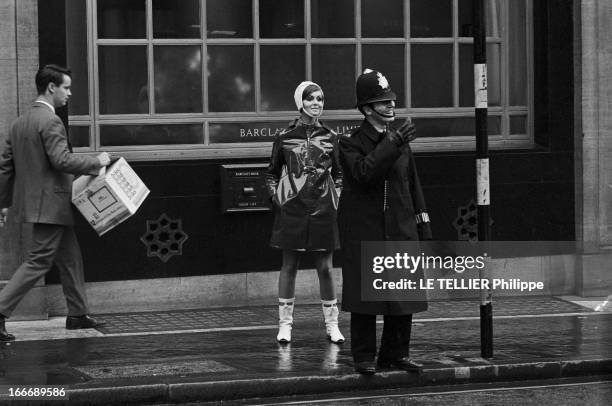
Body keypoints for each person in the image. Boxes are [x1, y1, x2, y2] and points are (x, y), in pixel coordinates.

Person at [0, 64, 113, 341]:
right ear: (51, 87)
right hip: (51, 204)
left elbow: (5, 167)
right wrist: (96, 162)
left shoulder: (19, 122)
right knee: (38, 262)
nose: (70, 93)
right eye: (67, 87)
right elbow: (61, 160)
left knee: (70, 257)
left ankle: (77, 314)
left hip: (42, 205)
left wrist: (3, 203)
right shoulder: (51, 121)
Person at [337, 69, 432, 374]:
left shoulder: (399, 140)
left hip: (401, 227)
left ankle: (396, 353)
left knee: (403, 294)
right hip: (367, 230)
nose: (391, 106)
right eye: (383, 103)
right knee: (367, 297)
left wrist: (423, 224)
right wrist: (391, 143)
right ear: (367, 109)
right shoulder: (350, 143)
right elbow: (364, 174)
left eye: (392, 100)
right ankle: (364, 357)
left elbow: (412, 184)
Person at [265, 81, 345, 344]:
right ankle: (285, 325)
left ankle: (332, 325)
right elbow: (271, 173)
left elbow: (340, 174)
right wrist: (278, 199)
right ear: (300, 102)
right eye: (311, 99)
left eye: (320, 100)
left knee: (326, 268)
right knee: (289, 266)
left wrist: (336, 197)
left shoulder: (331, 137)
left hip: (323, 209)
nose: (316, 104)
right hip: (293, 210)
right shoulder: (284, 137)